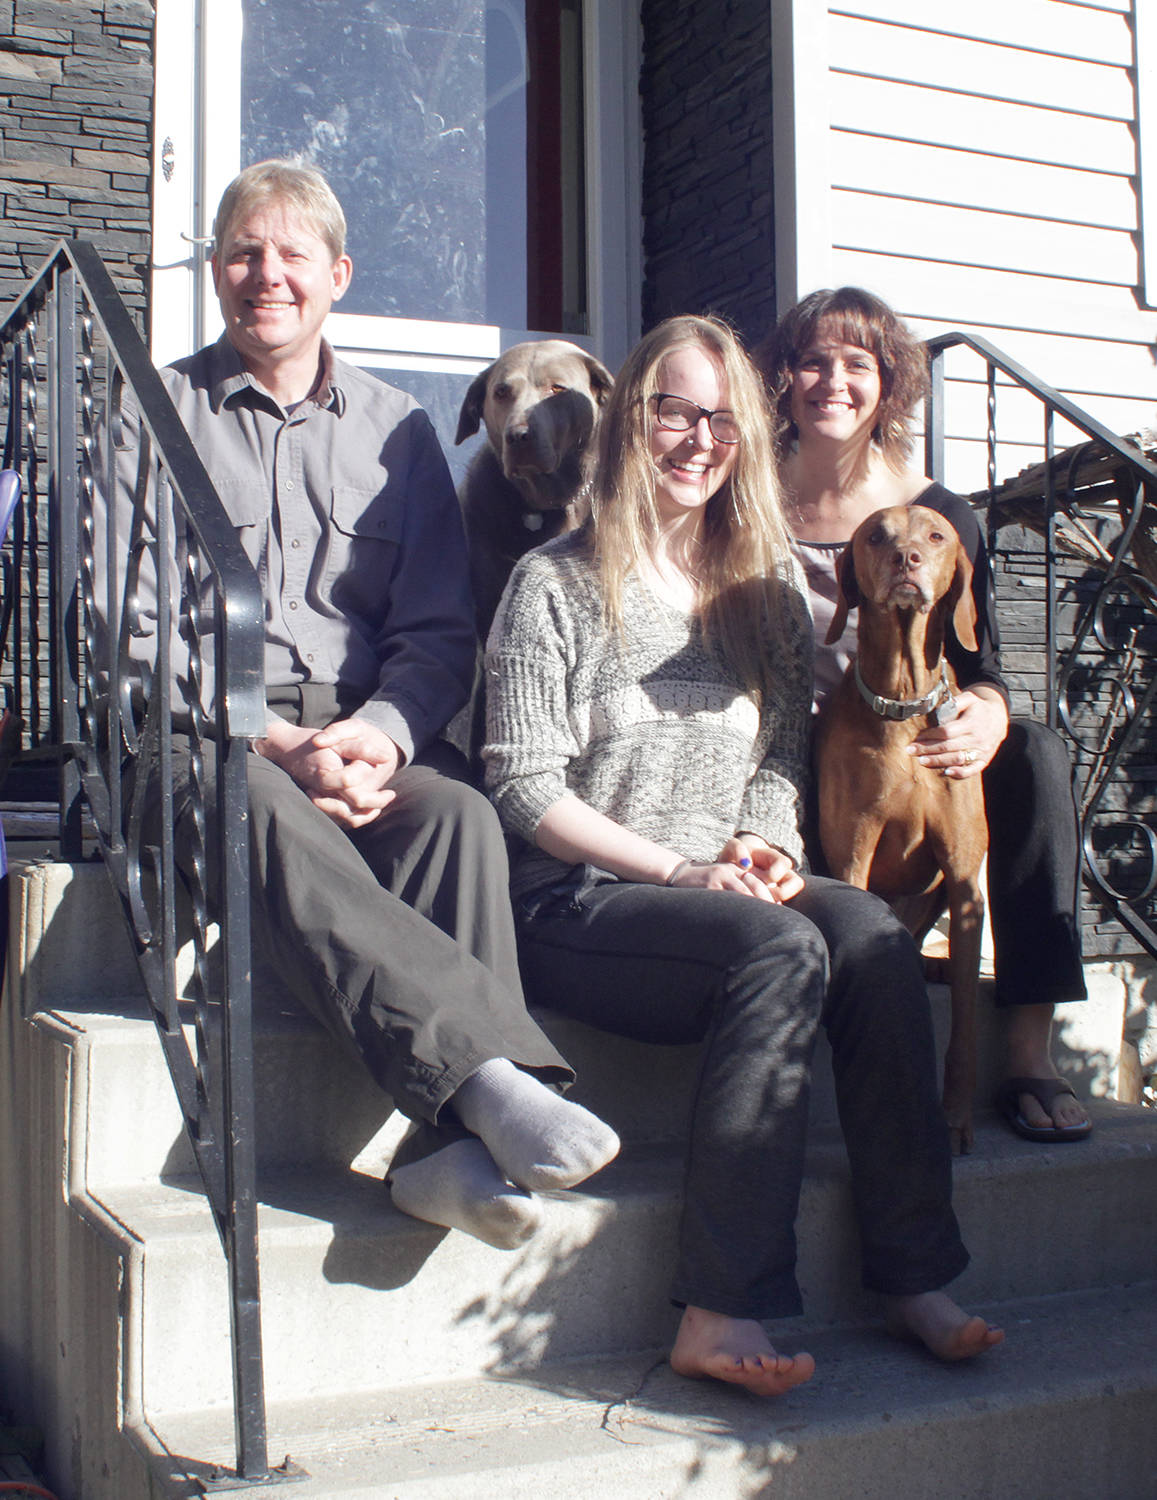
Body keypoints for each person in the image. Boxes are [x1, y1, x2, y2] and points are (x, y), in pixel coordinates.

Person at [483, 313, 1003, 1396]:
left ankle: (913, 1269)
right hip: (583, 902)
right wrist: (677, 870)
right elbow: (524, 785)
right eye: (675, 410)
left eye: (721, 419)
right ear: (632, 419)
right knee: (780, 951)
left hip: (724, 882)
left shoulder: (758, 589)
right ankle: (720, 1310)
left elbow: (778, 750)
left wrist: (764, 841)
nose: (698, 438)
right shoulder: (553, 582)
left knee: (863, 933)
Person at [113, 159, 619, 1250]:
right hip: (213, 733)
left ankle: (440, 1161)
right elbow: (129, 637)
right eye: (245, 252)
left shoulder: (400, 430)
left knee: (462, 815)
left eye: (293, 254)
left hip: (361, 725)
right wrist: (284, 740)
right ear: (215, 271)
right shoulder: (152, 412)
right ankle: (486, 1085)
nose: (268, 275)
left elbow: (439, 633)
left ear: (337, 275)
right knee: (263, 806)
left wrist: (381, 737)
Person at [761, 286, 1092, 1144]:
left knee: (1036, 756)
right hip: (779, 738)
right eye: (812, 361)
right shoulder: (745, 494)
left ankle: (1026, 1053)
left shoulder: (937, 514)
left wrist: (985, 709)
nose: (832, 381)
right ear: (783, 379)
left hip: (905, 731)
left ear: (887, 384)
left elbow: (977, 659)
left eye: (856, 365)